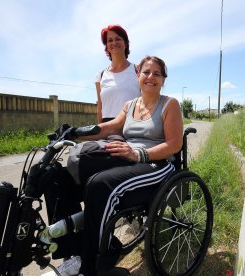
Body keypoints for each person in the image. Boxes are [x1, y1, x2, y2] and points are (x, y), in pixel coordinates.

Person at [43, 56, 183, 276]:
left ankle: (96, 263)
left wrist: (140, 154)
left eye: (157, 73)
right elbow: (109, 128)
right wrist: (77, 132)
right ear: (138, 76)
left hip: (158, 164)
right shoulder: (130, 105)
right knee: (55, 177)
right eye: (146, 72)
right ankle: (74, 250)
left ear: (163, 80)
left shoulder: (169, 104)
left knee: (101, 185)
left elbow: (174, 144)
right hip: (127, 157)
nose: (151, 77)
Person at [95, 24, 140, 123]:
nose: (114, 42)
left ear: (126, 43)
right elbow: (100, 109)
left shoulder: (138, 71)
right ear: (106, 47)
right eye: (110, 40)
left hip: (133, 128)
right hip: (108, 131)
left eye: (118, 39)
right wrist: (100, 134)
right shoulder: (101, 75)